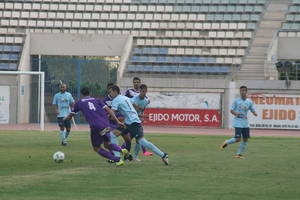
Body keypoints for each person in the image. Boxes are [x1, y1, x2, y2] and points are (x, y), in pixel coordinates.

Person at [63, 87, 129, 166]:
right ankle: (121, 150)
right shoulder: (97, 100)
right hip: (106, 125)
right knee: (107, 144)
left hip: (96, 127)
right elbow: (109, 110)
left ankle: (117, 160)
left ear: (81, 94)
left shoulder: (79, 103)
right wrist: (117, 121)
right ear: (89, 93)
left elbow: (70, 116)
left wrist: (64, 119)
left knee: (96, 148)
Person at [109, 85, 169, 165]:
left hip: (133, 122)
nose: (110, 94)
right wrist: (137, 112)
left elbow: (112, 112)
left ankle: (163, 155)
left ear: (115, 91)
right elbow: (134, 105)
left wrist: (105, 116)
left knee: (142, 142)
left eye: (110, 92)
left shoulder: (116, 100)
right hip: (129, 122)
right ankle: (119, 158)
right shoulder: (125, 98)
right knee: (113, 135)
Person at [219, 85, 258, 159]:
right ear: (240, 92)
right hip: (238, 122)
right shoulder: (236, 101)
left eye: (244, 90)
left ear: (246, 91)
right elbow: (231, 110)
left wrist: (254, 113)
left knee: (246, 139)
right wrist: (236, 113)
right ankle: (226, 142)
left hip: (245, 123)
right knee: (238, 139)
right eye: (241, 90)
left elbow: (251, 108)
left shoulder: (249, 101)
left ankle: (238, 154)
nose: (242, 92)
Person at [124, 77, 153, 156]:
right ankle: (122, 149)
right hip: (130, 116)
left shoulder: (144, 95)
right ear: (133, 83)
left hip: (137, 117)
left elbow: (143, 107)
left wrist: (141, 116)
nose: (136, 83)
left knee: (136, 135)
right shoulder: (129, 92)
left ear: (140, 83)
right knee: (135, 135)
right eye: (135, 82)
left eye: (137, 82)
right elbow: (125, 101)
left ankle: (124, 150)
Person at [130, 84, 151, 161]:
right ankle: (120, 152)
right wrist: (136, 107)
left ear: (146, 91)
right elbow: (130, 108)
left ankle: (135, 156)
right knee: (129, 139)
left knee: (138, 140)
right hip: (130, 121)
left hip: (137, 121)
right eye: (141, 91)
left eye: (144, 91)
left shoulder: (145, 101)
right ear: (139, 91)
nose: (143, 93)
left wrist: (142, 116)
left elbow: (141, 111)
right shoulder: (134, 99)